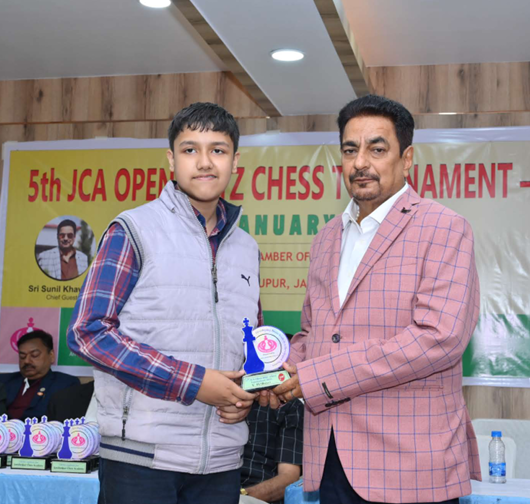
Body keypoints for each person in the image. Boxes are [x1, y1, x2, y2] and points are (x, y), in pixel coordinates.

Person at [269, 95, 481, 504]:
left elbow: (437, 339)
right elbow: (315, 333)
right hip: (332, 456)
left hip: (411, 464)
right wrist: (275, 374)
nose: (360, 162)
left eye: (377, 149)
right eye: (350, 150)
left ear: (407, 159)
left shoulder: (444, 227)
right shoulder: (327, 237)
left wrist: (317, 377)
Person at [68, 102, 261, 504]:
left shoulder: (247, 247)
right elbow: (88, 333)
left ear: (235, 161)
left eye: (218, 150)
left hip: (222, 461)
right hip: (141, 460)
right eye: (190, 150)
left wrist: (245, 393)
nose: (204, 162)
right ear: (171, 160)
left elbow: (249, 347)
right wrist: (193, 382)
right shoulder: (134, 229)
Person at [0, 329, 79, 420]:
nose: (27, 361)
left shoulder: (66, 384)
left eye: (34, 355)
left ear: (51, 355)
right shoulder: (3, 381)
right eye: (22, 356)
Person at [240, 400, 303, 504]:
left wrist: (242, 497)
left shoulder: (288, 405)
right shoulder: (215, 401)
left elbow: (289, 477)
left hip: (259, 497)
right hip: (216, 488)